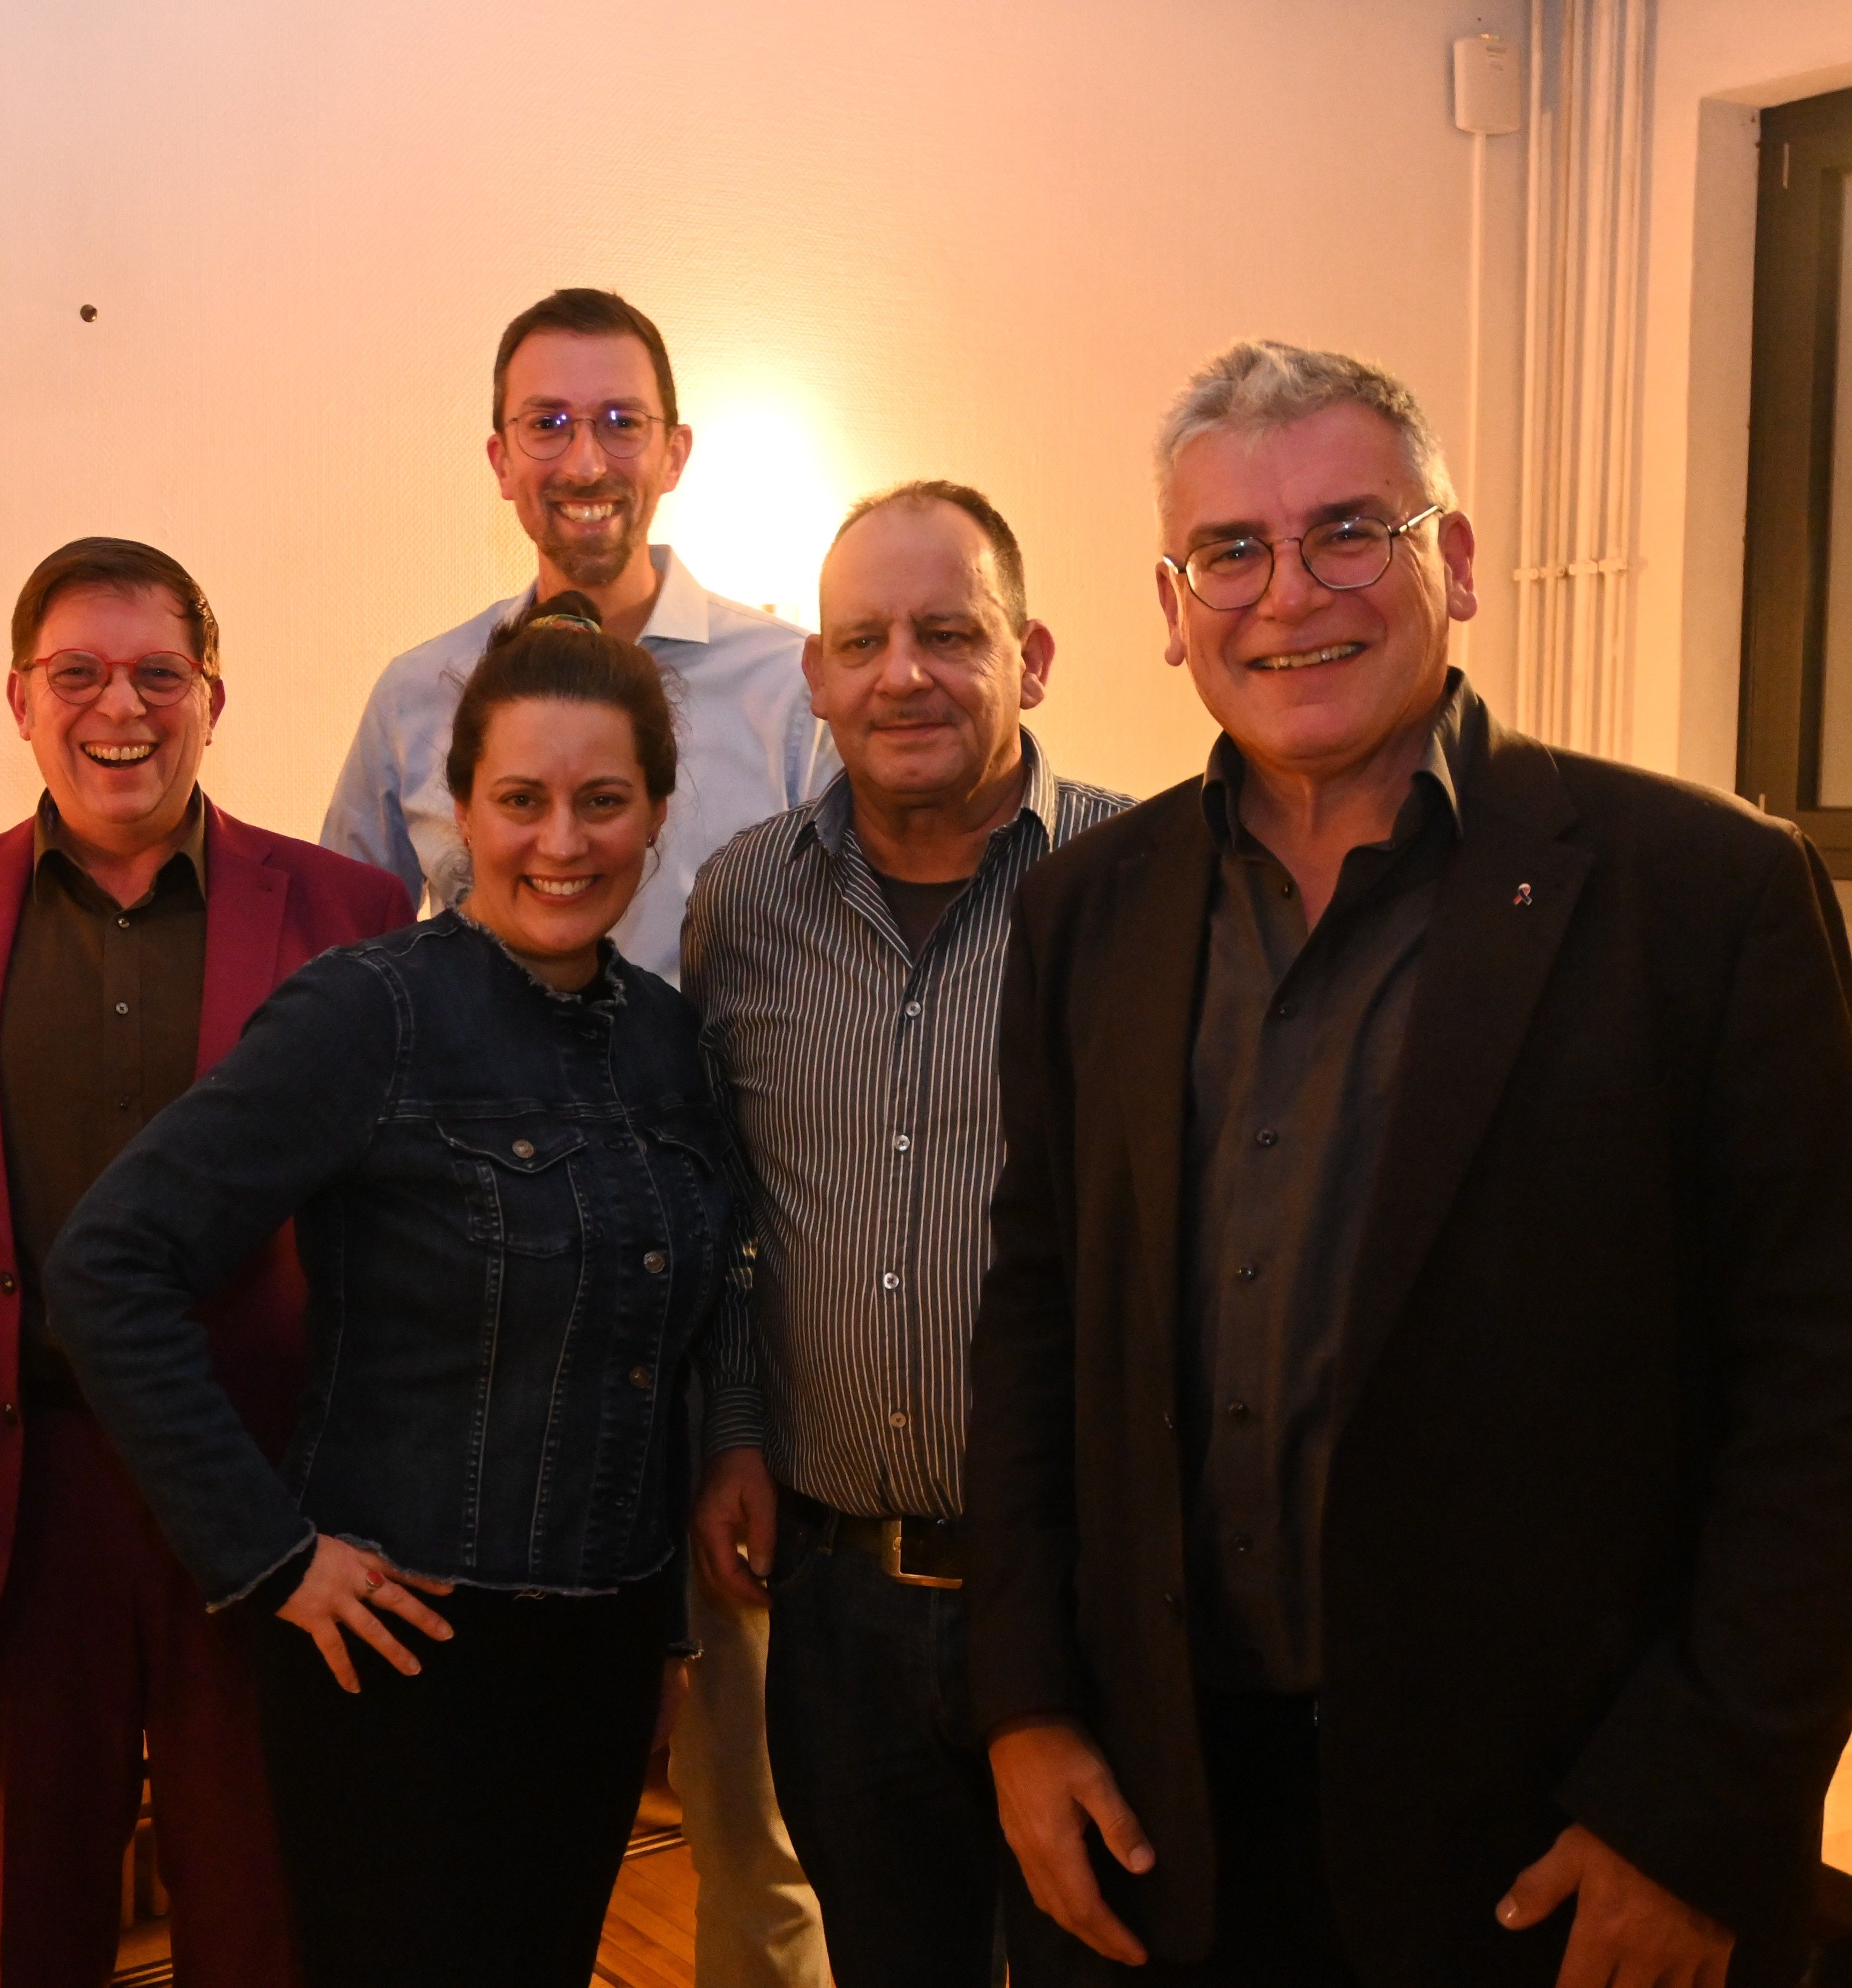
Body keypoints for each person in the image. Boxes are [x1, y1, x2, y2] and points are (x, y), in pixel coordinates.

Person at [968, 340, 1852, 1987]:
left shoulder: (1706, 897)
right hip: (1166, 1826)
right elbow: (1034, 1330)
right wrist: (1021, 1706)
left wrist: (1695, 1812)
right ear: (1172, 608)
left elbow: (1821, 1394)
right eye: (1233, 551)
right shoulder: (1087, 909)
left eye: (1349, 531)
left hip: (1553, 1848)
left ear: (1456, 562)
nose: (1291, 594)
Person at [49, 597, 735, 1987]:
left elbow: (666, 1355)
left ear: (658, 815)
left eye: (603, 802)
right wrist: (270, 1554)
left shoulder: (672, 1044)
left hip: (602, 1654)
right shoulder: (369, 1013)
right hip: (403, 1650)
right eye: (521, 800)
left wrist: (663, 1630)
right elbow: (107, 1266)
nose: (561, 841)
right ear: (459, 811)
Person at [321, 284, 827, 1987]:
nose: (584, 456)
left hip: (735, 1303)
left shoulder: (788, 690)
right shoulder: (418, 696)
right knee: (492, 1824)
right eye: (549, 422)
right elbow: (349, 976)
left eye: (619, 421)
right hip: (505, 1346)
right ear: (498, 458)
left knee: (754, 1827)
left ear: (675, 450)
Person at [0, 538, 408, 1988]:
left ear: (214, 697)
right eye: (79, 674)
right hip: (18, 1499)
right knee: (30, 1934)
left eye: (161, 673)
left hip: (263, 1490)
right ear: (19, 699)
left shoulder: (353, 915)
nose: (121, 708)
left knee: (263, 1927)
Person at [688, 481, 1128, 1986]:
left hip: (1083, 1597)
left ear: (1033, 658)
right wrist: (734, 1427)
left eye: (951, 633)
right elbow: (734, 1208)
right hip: (839, 1603)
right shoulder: (745, 903)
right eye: (865, 641)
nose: (905, 675)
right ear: (815, 676)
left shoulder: (1141, 886)